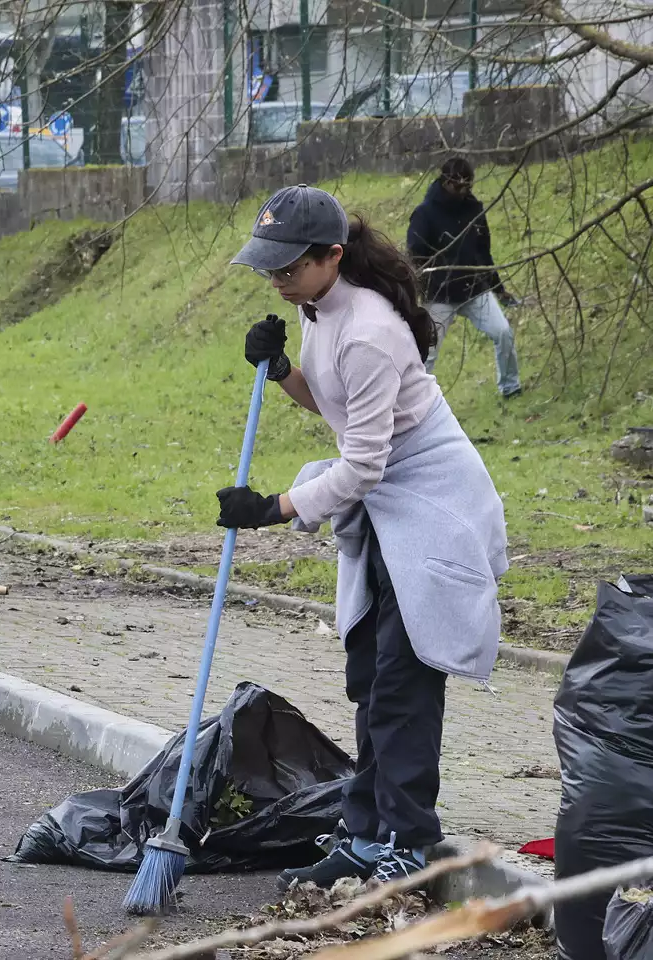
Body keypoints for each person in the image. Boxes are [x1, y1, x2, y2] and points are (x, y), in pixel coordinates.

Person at [224, 184, 507, 890]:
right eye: (270, 269)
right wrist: (285, 369)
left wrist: (277, 507)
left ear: (333, 256)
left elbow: (364, 462)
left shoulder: (372, 329)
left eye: (289, 268)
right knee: (368, 676)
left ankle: (409, 842)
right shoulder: (323, 308)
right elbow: (339, 409)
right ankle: (363, 831)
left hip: (431, 504)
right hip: (386, 508)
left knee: (404, 684)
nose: (278, 281)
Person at [406, 158, 522, 398]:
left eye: (468, 186)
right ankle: (413, 399)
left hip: (473, 289)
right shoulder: (424, 214)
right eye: (459, 186)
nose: (464, 192)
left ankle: (511, 388)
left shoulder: (474, 209)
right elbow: (415, 256)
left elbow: (483, 252)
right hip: (439, 294)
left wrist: (499, 289)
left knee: (503, 332)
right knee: (426, 351)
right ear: (446, 181)